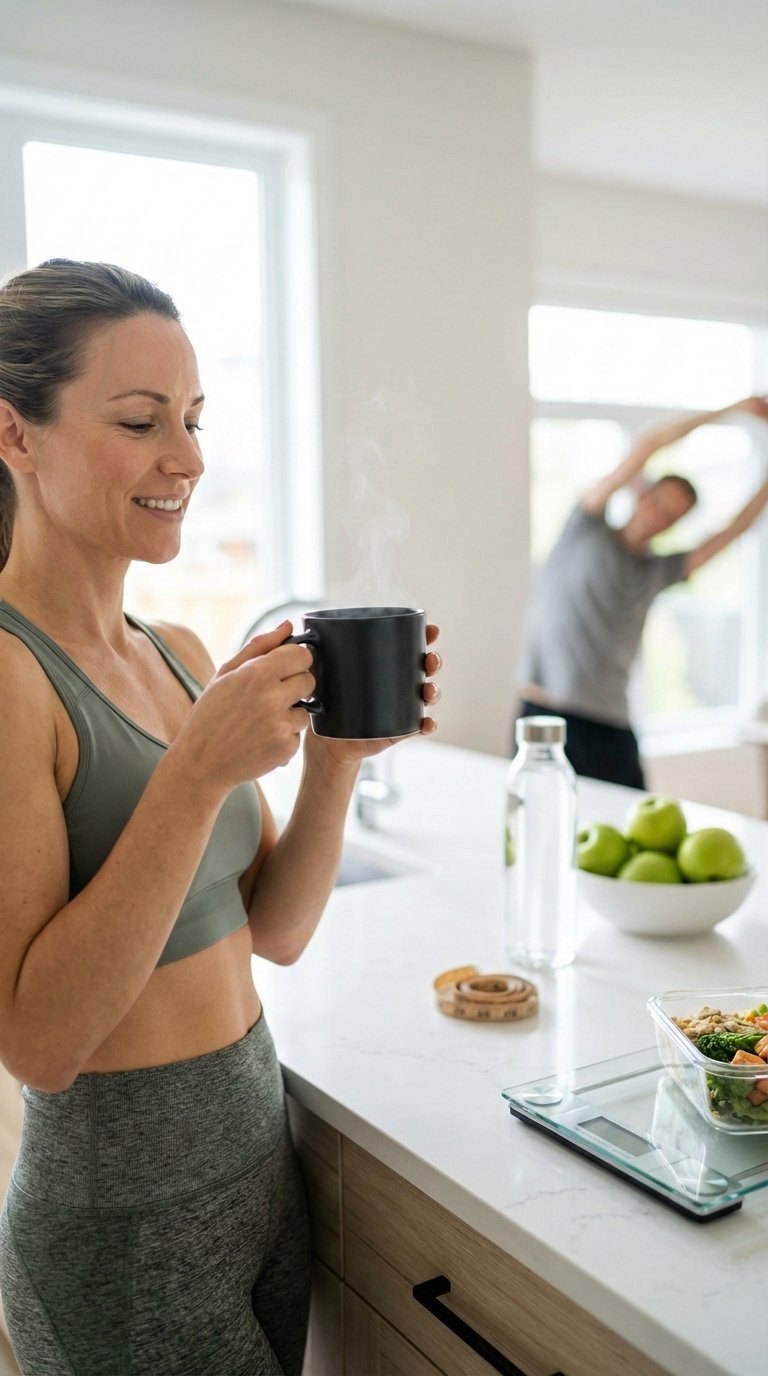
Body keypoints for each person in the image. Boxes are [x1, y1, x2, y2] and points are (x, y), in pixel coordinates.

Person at [0, 258, 441, 1376]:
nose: (187, 459)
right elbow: (41, 1044)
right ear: (16, 433)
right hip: (122, 1215)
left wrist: (332, 760)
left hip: (258, 1160)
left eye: (192, 419)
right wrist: (194, 774)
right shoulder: (10, 676)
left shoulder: (178, 652)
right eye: (142, 419)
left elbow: (274, 930)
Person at [516, 395, 768, 788]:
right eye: (658, 502)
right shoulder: (586, 526)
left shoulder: (658, 570)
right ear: (641, 493)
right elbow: (649, 445)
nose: (658, 515)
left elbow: (736, 528)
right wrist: (731, 410)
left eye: (671, 515)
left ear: (675, 524)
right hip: (546, 712)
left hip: (610, 721)